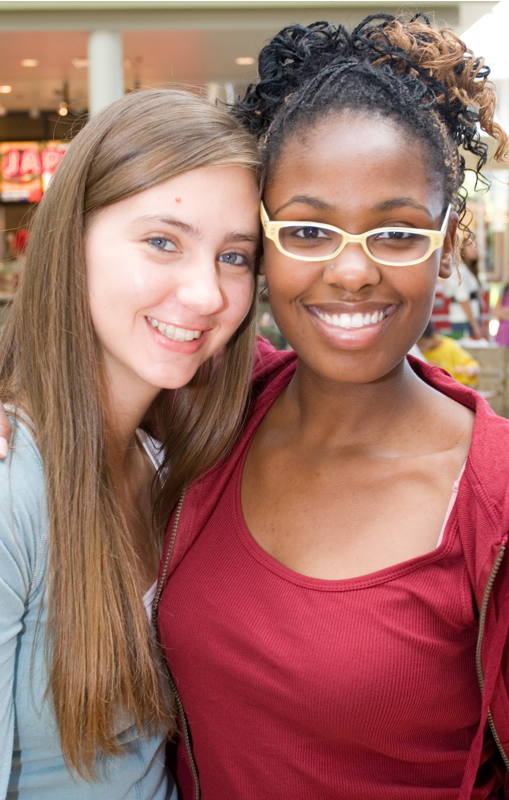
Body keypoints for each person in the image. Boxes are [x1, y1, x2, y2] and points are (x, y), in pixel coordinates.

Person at [154, 16, 509, 800]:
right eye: (308, 229)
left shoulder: (504, 506)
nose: (351, 271)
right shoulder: (206, 408)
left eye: (396, 233)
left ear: (449, 237)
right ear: (260, 240)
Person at [0, 88, 261, 798]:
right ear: (70, 240)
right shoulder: (13, 483)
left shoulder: (166, 459)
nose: (207, 294)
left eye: (234, 257)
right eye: (161, 241)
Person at [417, 320, 480, 386]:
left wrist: (467, 370)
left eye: (422, 344)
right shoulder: (418, 353)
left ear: (432, 337)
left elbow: (473, 367)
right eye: (416, 345)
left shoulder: (449, 347)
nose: (419, 349)